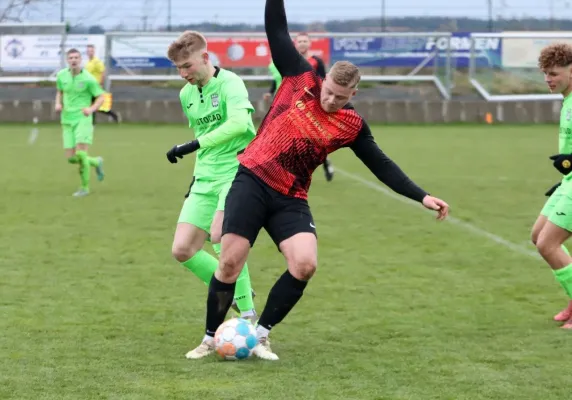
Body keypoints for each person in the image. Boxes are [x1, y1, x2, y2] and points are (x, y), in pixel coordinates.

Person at [186, 0, 450, 361]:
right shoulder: (298, 77)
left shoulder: (352, 124)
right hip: (252, 179)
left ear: (352, 95)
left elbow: (381, 164)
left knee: (305, 264)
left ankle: (260, 335)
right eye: (328, 92)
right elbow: (277, 31)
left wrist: (423, 196)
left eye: (340, 98)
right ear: (323, 80)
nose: (330, 100)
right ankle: (209, 336)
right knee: (229, 262)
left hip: (290, 197)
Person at [163, 31, 258, 358]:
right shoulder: (186, 95)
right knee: (182, 249)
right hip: (205, 176)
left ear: (206, 57)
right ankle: (232, 293)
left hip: (238, 170)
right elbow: (204, 135)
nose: (183, 73)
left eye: (187, 65)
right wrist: (196, 172)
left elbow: (238, 125)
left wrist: (191, 146)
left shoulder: (231, 84)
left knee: (221, 237)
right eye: (178, 68)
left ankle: (249, 318)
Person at [531, 43, 572, 328]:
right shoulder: (567, 100)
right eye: (545, 73)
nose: (548, 79)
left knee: (548, 243)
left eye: (554, 73)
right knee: (537, 236)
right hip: (568, 182)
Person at [263, 33, 334, 182]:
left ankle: (325, 162)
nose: (302, 43)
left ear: (309, 43)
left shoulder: (316, 61)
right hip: (289, 103)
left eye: (304, 41)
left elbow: (322, 81)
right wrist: (270, 92)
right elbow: (281, 78)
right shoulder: (291, 61)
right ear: (295, 44)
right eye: (299, 41)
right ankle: (287, 170)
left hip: (310, 104)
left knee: (313, 138)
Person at [55, 48, 106, 197]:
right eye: (71, 58)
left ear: (80, 59)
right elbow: (59, 91)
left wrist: (91, 109)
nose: (73, 60)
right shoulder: (61, 76)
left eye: (76, 57)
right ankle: (96, 162)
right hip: (66, 119)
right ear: (67, 60)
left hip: (83, 119)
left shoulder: (88, 79)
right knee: (71, 158)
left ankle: (84, 188)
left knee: (81, 154)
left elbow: (101, 96)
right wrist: (58, 104)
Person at [85, 44, 120, 124]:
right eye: (88, 51)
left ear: (94, 51)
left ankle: (93, 122)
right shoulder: (88, 62)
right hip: (89, 87)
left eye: (91, 51)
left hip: (95, 87)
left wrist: (100, 83)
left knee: (92, 104)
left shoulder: (96, 61)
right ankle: (113, 114)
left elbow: (102, 72)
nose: (90, 52)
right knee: (95, 105)